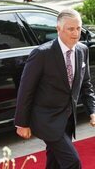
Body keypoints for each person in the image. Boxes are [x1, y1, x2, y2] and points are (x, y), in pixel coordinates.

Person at [15, 9, 95, 168]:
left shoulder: (82, 50)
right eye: (70, 29)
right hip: (46, 119)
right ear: (58, 29)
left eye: (78, 28)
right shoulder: (42, 54)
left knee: (55, 162)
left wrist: (92, 111)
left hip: (67, 118)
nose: (75, 33)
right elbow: (26, 90)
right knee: (73, 162)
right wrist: (21, 123)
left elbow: (86, 85)